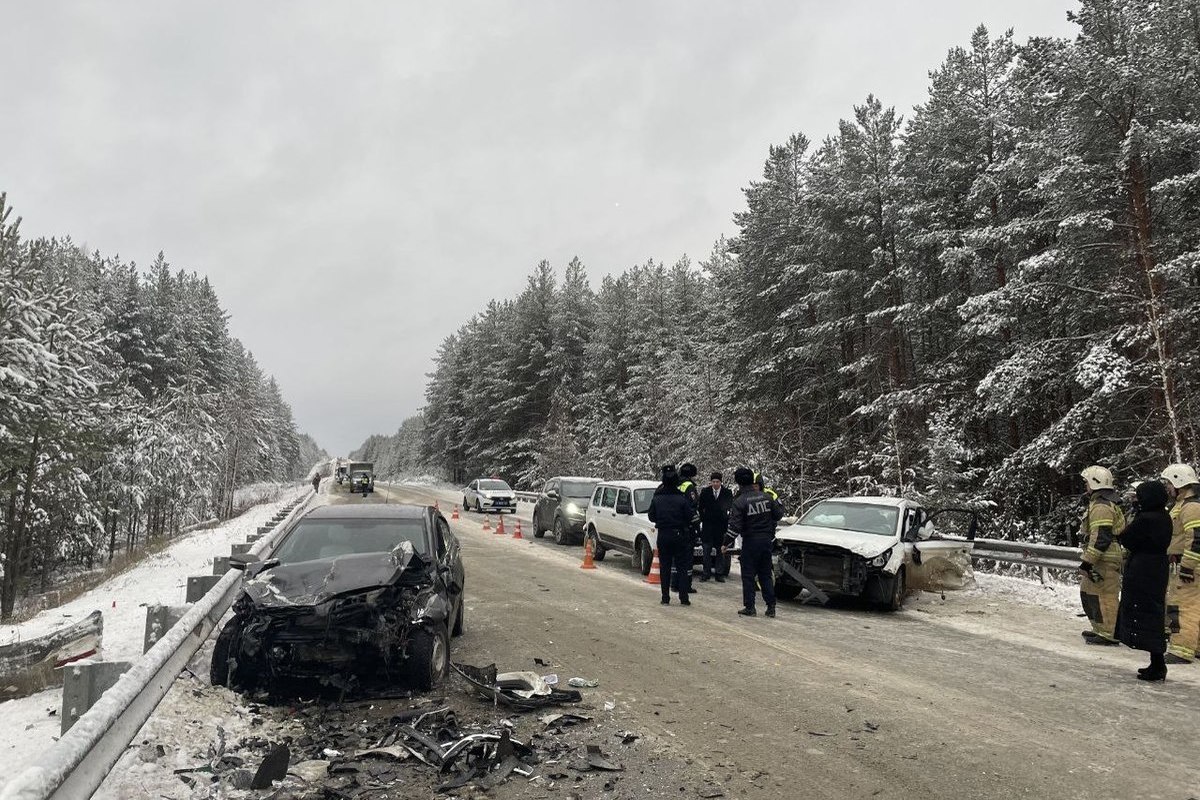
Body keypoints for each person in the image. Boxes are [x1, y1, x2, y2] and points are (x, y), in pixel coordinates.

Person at [1115, 480, 1172, 681]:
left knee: (1145, 612)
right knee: (1153, 612)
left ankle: (1157, 665)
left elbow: (1126, 538)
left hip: (1143, 568)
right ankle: (1156, 661)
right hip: (1157, 567)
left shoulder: (1146, 518)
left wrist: (1136, 514)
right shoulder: (1164, 516)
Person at [1078, 465, 1127, 645]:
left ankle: (1108, 633)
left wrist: (1088, 561)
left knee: (1105, 595)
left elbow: (1101, 537)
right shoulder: (1100, 503)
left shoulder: (1101, 507)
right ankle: (1101, 629)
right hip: (1103, 557)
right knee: (1091, 593)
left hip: (1104, 558)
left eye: (1086, 482)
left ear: (1094, 482)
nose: (1085, 486)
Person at [726, 467, 784, 617]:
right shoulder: (767, 497)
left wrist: (725, 543)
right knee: (765, 574)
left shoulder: (739, 502)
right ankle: (771, 606)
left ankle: (750, 607)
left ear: (738, 483)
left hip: (751, 542)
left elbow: (735, 527)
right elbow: (778, 515)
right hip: (766, 541)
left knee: (748, 575)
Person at [1161, 463, 1200, 665]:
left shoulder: (1191, 507)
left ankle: (1181, 650)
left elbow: (1196, 539)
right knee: (1194, 606)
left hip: (1190, 566)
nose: (1167, 487)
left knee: (1183, 607)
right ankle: (1195, 646)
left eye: (1169, 483)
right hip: (1189, 564)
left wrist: (1187, 566)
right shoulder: (1184, 505)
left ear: (1179, 482)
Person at [648, 464, 697, 606]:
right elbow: (689, 516)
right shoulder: (681, 499)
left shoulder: (657, 498)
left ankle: (665, 597)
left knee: (665, 567)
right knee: (682, 566)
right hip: (679, 535)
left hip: (663, 534)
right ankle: (684, 597)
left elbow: (651, 516)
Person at [698, 472, 734, 582]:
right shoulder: (705, 492)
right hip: (708, 527)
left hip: (721, 527)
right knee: (706, 551)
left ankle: (719, 573)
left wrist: (726, 518)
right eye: (713, 482)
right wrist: (704, 518)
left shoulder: (727, 493)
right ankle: (706, 573)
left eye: (717, 481)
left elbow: (729, 507)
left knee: (720, 551)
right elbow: (700, 508)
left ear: (721, 482)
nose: (715, 484)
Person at [672, 463, 701, 594]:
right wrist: (697, 527)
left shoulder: (674, 484)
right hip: (686, 527)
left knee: (675, 557)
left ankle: (674, 583)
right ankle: (686, 585)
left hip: (674, 526)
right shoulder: (689, 486)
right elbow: (693, 506)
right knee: (687, 559)